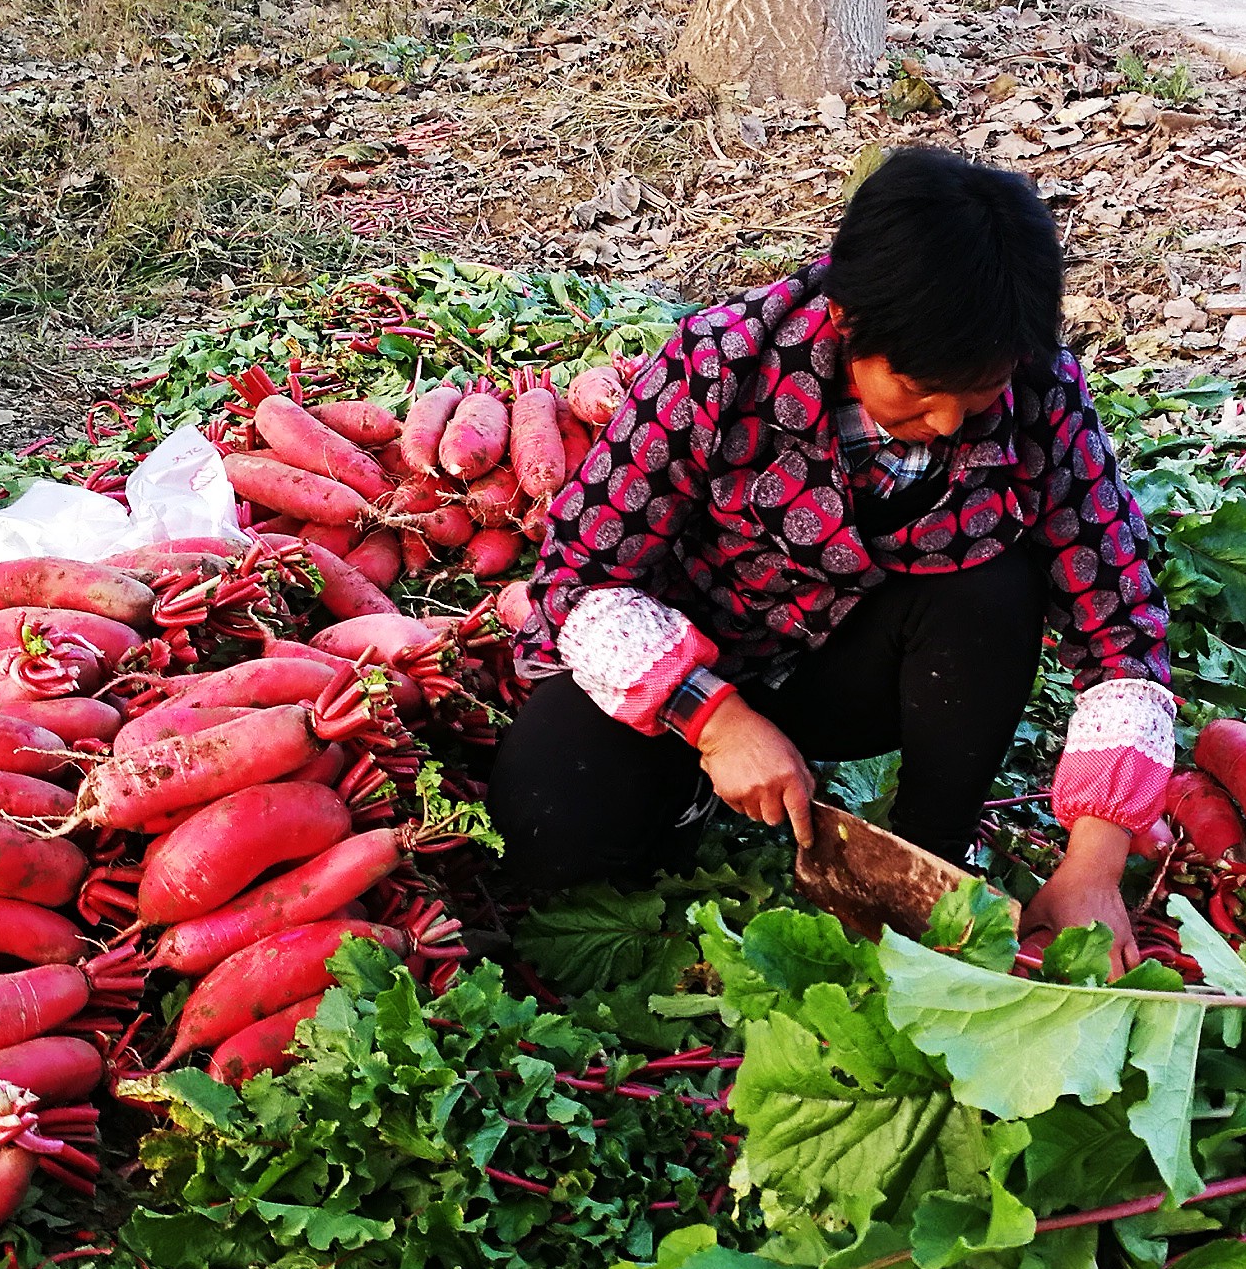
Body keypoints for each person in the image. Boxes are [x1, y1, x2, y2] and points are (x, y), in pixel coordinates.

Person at [487, 146, 1177, 959]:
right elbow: (575, 574)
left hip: (854, 675)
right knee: (546, 829)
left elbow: (1122, 624)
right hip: (696, 662)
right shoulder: (722, 363)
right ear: (849, 324)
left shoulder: (1042, 393)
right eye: (919, 393)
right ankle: (704, 789)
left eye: (978, 393)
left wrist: (1095, 866)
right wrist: (714, 721)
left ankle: (926, 855)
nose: (952, 422)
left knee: (991, 586)